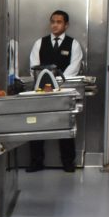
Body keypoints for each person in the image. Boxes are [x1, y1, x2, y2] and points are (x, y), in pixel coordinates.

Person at [27, 10, 84, 173]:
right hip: (41, 91)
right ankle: (36, 161)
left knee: (65, 124)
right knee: (38, 125)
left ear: (66, 25)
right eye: (53, 21)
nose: (55, 25)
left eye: (59, 22)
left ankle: (68, 162)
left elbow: (74, 67)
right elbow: (34, 66)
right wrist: (45, 81)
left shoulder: (73, 44)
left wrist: (56, 82)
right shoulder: (40, 43)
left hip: (64, 90)